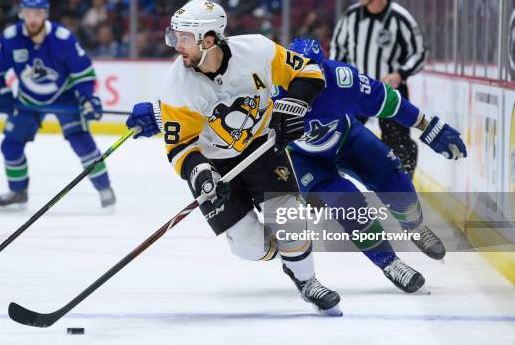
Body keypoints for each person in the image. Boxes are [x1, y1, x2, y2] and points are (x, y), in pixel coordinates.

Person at [126, 38, 467, 293]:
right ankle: (390, 263)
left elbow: (387, 101)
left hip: (349, 139)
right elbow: (217, 101)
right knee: (347, 204)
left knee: (397, 187)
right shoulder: (266, 80)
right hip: (304, 158)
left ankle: (415, 226)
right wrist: (159, 113)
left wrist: (429, 127)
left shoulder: (340, 80)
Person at [127, 0, 341, 314]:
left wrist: (292, 106)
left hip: (261, 148)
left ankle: (307, 282)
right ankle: (287, 255)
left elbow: (309, 72)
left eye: (184, 38)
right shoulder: (177, 86)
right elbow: (180, 147)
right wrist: (202, 174)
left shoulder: (258, 51)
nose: (176, 46)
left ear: (209, 40)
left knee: (291, 221)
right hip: (212, 163)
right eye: (175, 36)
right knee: (249, 248)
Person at [0, 0, 116, 211]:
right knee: (10, 145)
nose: (32, 18)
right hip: (28, 99)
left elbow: (83, 73)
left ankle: (104, 189)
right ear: (21, 14)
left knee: (81, 141)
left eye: (37, 13)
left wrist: (87, 98)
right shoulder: (10, 38)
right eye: (28, 13)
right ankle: (18, 191)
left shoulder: (62, 39)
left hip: (64, 97)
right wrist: (2, 94)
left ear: (45, 14)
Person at [330, 0, 426, 177]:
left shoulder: (400, 18)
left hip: (389, 92)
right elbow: (337, 50)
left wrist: (399, 74)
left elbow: (419, 52)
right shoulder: (350, 17)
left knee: (398, 144)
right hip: (354, 89)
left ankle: (401, 195)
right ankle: (332, 192)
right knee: (337, 138)